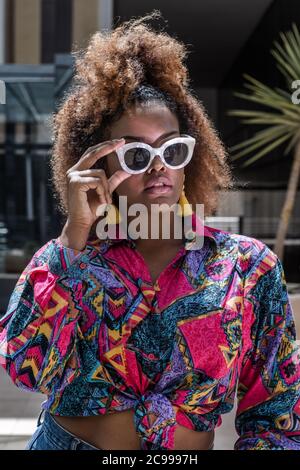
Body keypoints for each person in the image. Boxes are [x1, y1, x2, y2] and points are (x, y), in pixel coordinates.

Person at [0, 10, 300, 451]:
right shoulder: (67, 257)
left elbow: (278, 413)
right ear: (97, 164)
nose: (159, 166)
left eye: (173, 149)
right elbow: (25, 367)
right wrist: (71, 241)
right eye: (137, 154)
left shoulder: (247, 266)